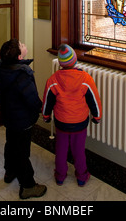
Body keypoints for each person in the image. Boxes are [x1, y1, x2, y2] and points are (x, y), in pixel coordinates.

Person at [0, 38, 47, 200]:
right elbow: (31, 98)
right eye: (21, 46)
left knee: (11, 143)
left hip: (9, 116)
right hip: (22, 120)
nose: (24, 45)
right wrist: (41, 108)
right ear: (19, 57)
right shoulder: (21, 75)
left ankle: (10, 171)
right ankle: (28, 186)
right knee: (22, 151)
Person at [42, 44, 102, 186]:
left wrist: (46, 116)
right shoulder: (85, 79)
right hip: (80, 123)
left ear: (60, 63)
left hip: (61, 122)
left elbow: (47, 101)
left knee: (61, 150)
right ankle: (82, 176)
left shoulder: (53, 80)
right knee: (79, 150)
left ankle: (60, 176)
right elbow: (94, 100)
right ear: (75, 61)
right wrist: (97, 116)